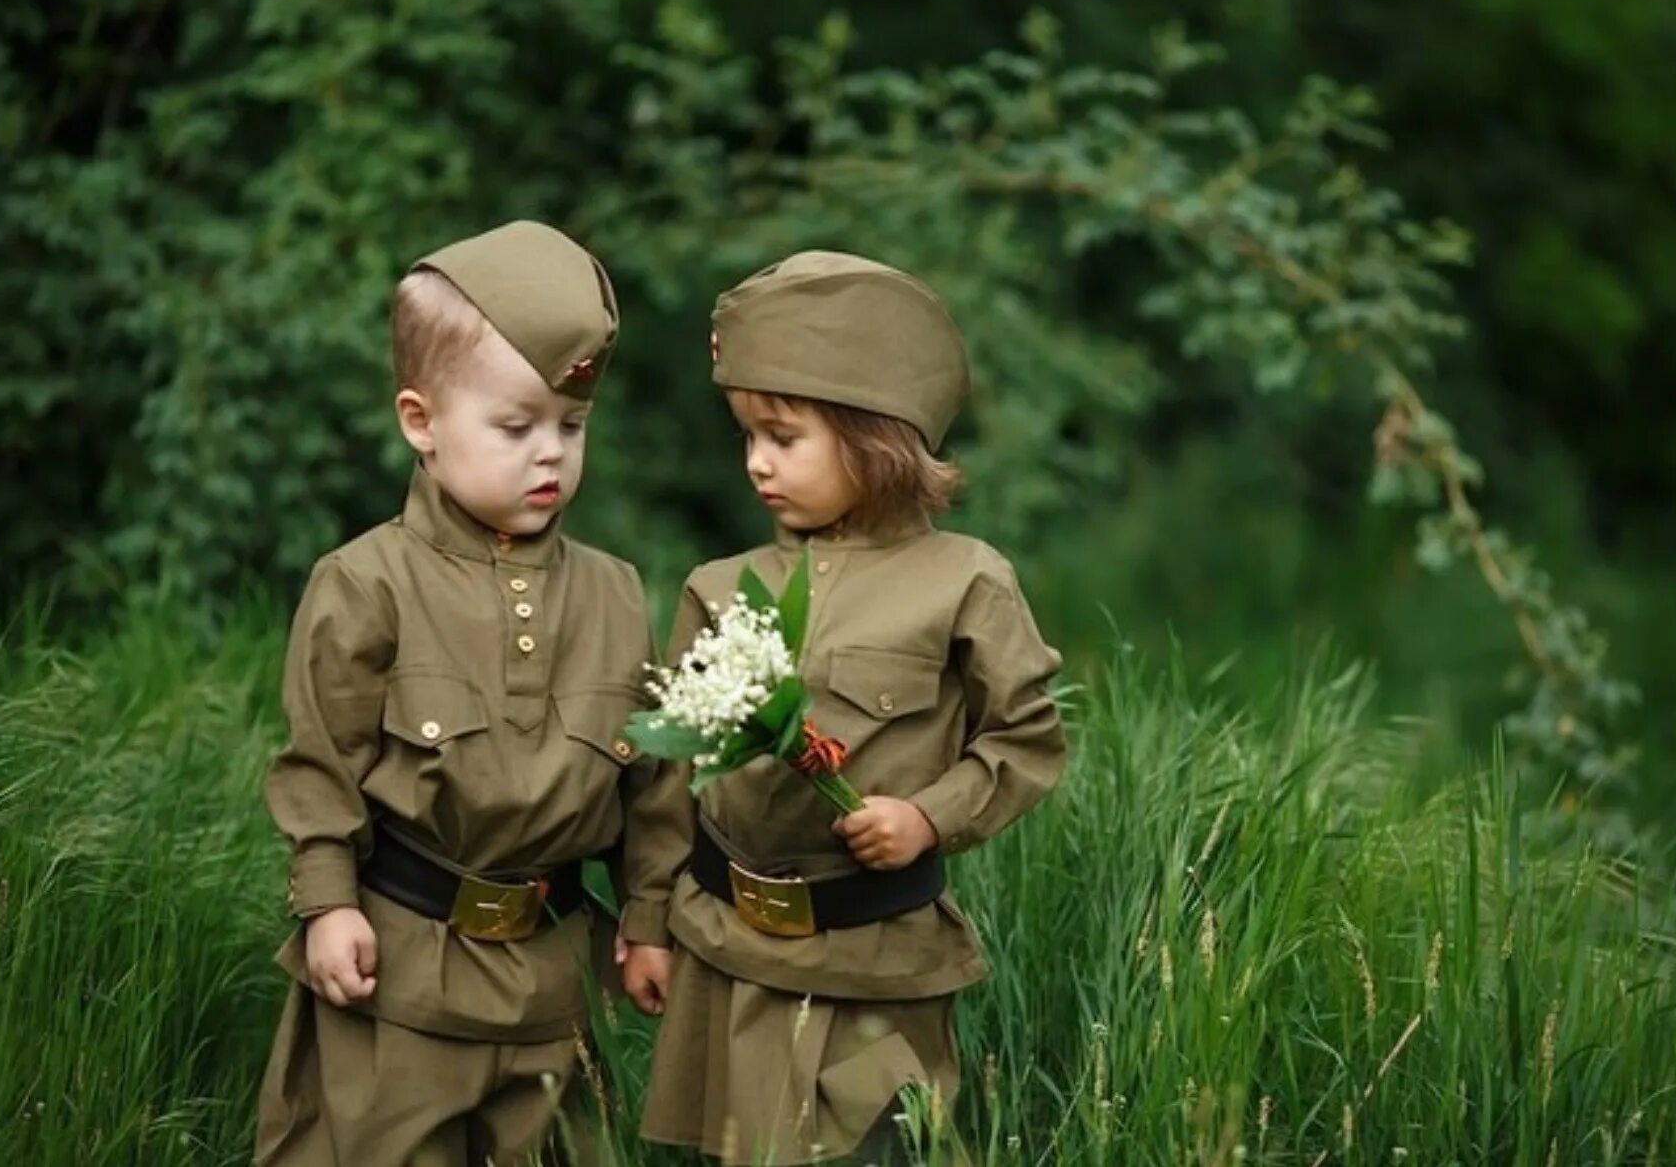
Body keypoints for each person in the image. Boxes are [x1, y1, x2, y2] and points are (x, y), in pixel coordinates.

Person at [618, 250, 1068, 1164]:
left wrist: (925, 817)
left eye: (783, 437)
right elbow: (671, 780)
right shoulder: (722, 587)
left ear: (874, 436)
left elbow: (1025, 738)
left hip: (874, 965)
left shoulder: (963, 580)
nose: (756, 462)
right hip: (726, 956)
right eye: (746, 436)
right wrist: (647, 924)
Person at [255, 220, 664, 1166]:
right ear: (420, 420)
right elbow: (322, 760)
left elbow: (652, 789)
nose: (549, 454)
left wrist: (647, 921)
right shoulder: (366, 583)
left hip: (551, 987)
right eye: (515, 427)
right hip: (399, 975)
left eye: (571, 426)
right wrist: (326, 902)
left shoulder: (614, 592)